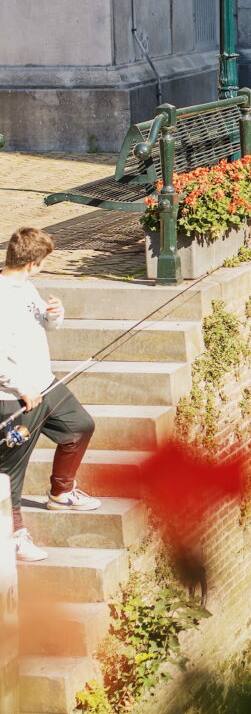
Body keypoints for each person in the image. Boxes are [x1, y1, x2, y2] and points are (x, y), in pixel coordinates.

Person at [0, 227, 100, 563]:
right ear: (33, 263)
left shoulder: (26, 286)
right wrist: (19, 386)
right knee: (10, 472)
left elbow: (42, 321)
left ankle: (62, 491)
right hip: (15, 397)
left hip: (44, 383)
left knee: (79, 426)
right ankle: (13, 536)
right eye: (43, 263)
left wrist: (54, 315)